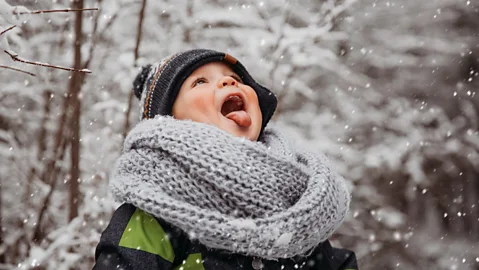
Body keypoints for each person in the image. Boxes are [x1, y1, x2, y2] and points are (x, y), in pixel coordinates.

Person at [93, 49, 358, 270]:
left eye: (234, 78)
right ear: (168, 119)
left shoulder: (295, 204)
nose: (229, 82)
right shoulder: (153, 210)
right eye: (199, 82)